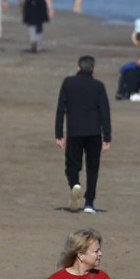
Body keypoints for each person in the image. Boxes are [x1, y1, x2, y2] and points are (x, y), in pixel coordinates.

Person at [56, 55, 112, 213]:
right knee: (92, 168)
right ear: (94, 70)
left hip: (74, 131)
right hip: (94, 132)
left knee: (72, 165)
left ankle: (75, 184)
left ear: (78, 67)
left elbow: (61, 109)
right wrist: (107, 136)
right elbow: (104, 112)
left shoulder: (68, 83)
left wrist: (58, 133)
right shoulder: (98, 86)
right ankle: (89, 203)